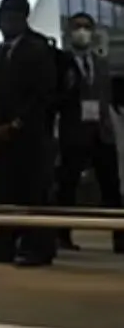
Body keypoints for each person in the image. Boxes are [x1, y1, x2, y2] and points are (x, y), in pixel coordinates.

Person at [0, 0, 59, 267]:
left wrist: (16, 124)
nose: (4, 23)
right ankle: (4, 244)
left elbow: (44, 94)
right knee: (4, 193)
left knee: (34, 193)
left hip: (30, 137)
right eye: (1, 17)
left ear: (23, 18)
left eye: (10, 17)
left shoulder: (40, 50)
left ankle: (38, 247)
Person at [55, 13, 121, 252]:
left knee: (111, 187)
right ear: (68, 31)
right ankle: (62, 235)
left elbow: (107, 96)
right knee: (67, 186)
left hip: (101, 132)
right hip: (74, 132)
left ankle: (120, 237)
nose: (82, 32)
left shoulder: (101, 63)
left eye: (86, 27)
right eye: (77, 27)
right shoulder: (61, 63)